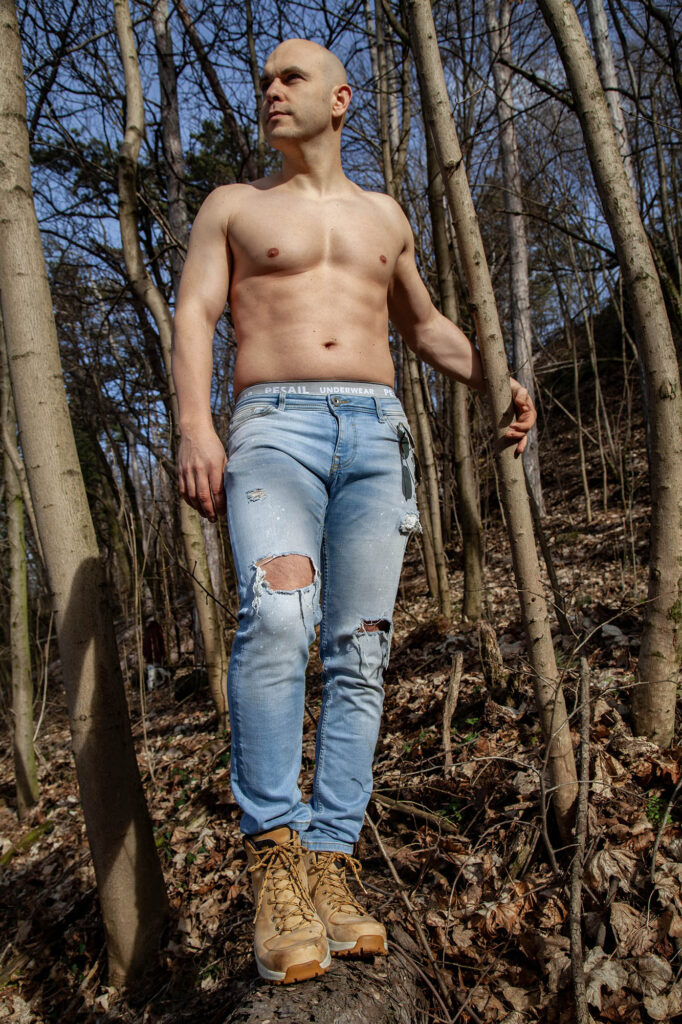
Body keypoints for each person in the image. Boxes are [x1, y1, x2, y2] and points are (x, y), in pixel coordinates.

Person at [172, 38, 536, 985]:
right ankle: (276, 861)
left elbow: (421, 328)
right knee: (278, 616)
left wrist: (502, 382)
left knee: (363, 648)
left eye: (289, 78)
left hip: (377, 435)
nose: (270, 93)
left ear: (340, 100)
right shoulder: (235, 208)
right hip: (273, 431)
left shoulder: (385, 216)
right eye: (263, 82)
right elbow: (193, 313)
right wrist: (194, 425)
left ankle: (334, 864)